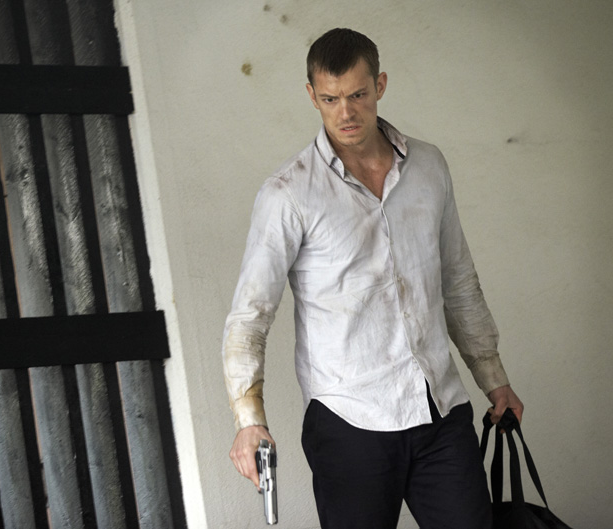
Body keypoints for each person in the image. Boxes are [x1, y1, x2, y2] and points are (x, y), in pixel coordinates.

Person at [222, 28, 524, 528]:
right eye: (330, 99)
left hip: (439, 409)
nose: (346, 112)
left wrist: (495, 381)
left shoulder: (428, 166)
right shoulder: (288, 194)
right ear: (312, 96)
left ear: (380, 85)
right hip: (349, 421)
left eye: (358, 95)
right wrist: (249, 421)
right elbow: (250, 316)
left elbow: (458, 281)